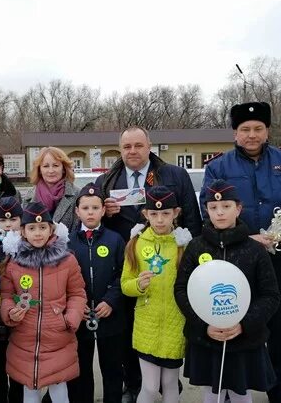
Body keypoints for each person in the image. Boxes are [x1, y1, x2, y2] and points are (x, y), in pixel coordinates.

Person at [201, 102, 281, 403]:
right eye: (245, 129)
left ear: (267, 130)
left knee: (280, 324)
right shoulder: (218, 167)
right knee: (234, 321)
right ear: (235, 133)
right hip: (236, 261)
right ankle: (236, 387)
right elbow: (206, 214)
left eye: (258, 128)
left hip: (279, 261)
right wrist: (245, 238)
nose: (252, 135)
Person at [95, 126, 202, 403]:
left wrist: (193, 258)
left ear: (149, 145)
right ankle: (134, 384)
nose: (132, 151)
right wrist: (105, 213)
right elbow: (91, 214)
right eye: (127, 146)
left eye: (138, 145)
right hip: (127, 262)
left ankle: (169, 382)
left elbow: (191, 216)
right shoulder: (109, 179)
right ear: (120, 149)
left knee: (167, 322)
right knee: (130, 327)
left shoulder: (174, 174)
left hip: (169, 265)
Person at [175, 180, 281, 403]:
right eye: (213, 208)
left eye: (226, 207)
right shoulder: (196, 246)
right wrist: (204, 326)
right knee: (212, 393)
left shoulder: (254, 250)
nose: (220, 213)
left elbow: (270, 295)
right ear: (207, 211)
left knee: (241, 393)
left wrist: (244, 324)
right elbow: (182, 289)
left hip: (243, 338)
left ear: (239, 209)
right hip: (207, 337)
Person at [0, 202, 87, 403]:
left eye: (42, 228)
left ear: (51, 229)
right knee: (30, 391)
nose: (37, 233)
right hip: (25, 339)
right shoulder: (14, 263)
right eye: (31, 228)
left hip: (58, 337)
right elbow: (6, 295)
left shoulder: (67, 260)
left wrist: (69, 319)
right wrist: (11, 312)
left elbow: (77, 293)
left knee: (59, 390)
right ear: (22, 231)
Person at [120, 186, 191, 403]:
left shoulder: (183, 245)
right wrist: (138, 285)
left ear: (176, 213)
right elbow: (125, 284)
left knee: (170, 384)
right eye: (154, 214)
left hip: (175, 323)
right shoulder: (136, 243)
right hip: (146, 325)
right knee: (150, 387)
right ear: (145, 215)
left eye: (165, 214)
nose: (160, 220)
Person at [66, 183, 126, 403]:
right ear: (77, 211)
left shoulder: (115, 240)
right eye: (85, 208)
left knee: (112, 370)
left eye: (95, 208)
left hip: (109, 317)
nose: (90, 212)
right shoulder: (68, 242)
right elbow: (63, 280)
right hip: (80, 319)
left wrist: (111, 300)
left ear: (103, 210)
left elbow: (123, 274)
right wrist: (75, 305)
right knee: (80, 372)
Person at [0, 196, 25, 403]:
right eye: (3, 220)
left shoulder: (28, 243)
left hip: (19, 313)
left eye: (13, 220)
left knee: (18, 369)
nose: (8, 224)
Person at [23, 147, 79, 231]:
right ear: (39, 170)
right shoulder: (29, 196)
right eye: (46, 166)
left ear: (63, 169)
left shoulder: (77, 194)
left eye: (55, 165)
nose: (51, 170)